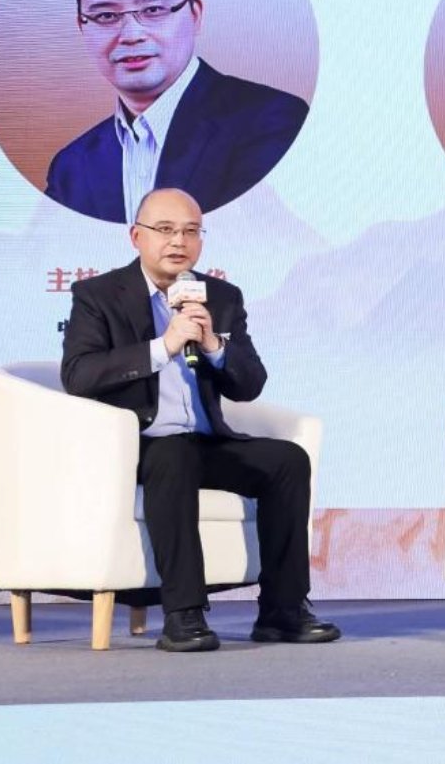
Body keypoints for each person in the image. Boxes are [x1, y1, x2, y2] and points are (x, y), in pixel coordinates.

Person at [59, 188, 339, 651]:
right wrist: (163, 347)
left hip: (205, 442)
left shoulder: (220, 297)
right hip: (140, 444)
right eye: (165, 230)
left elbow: (249, 385)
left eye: (190, 231)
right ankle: (184, 614)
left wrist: (213, 346)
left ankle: (283, 611)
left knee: (287, 461)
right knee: (173, 456)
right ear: (136, 237)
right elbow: (79, 374)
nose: (179, 241)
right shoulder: (99, 295)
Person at [44, 0, 310, 224]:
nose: (131, 35)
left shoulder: (271, 122)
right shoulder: (71, 168)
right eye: (106, 16)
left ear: (195, 14)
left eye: (153, 10)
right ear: (82, 27)